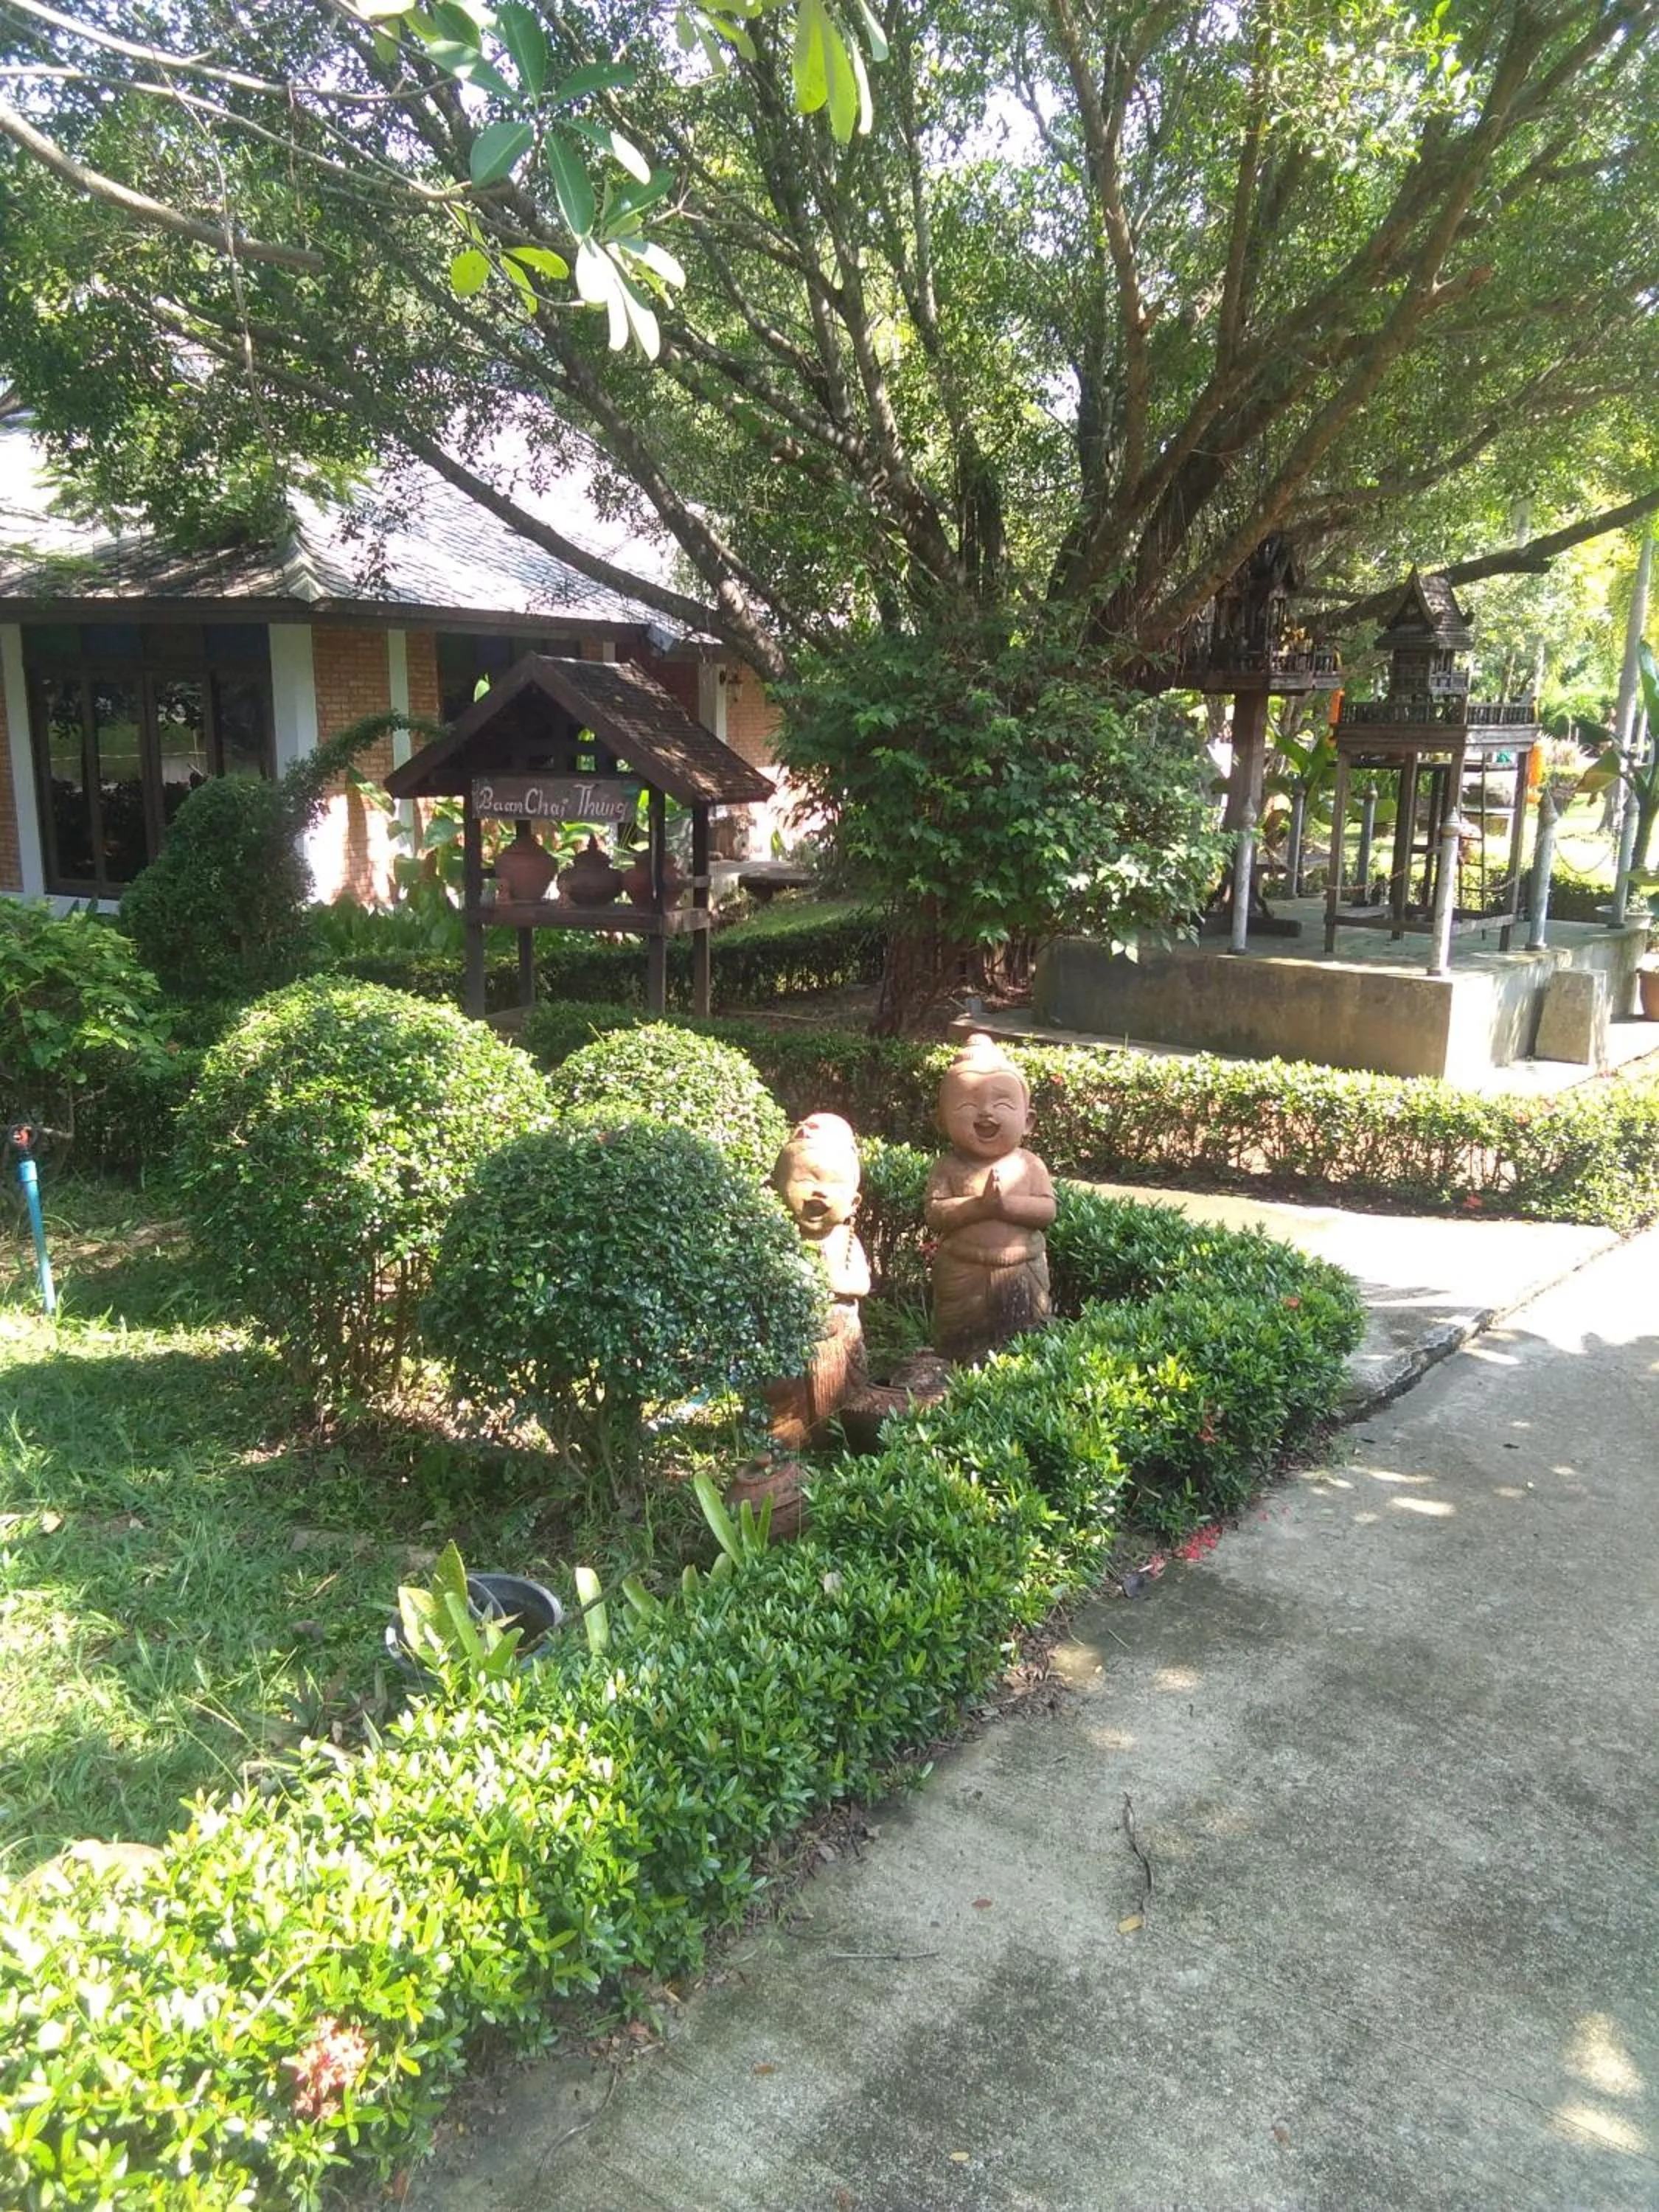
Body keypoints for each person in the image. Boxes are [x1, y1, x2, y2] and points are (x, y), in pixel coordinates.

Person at [925, 1034, 1055, 1362]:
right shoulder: (949, 1167)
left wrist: (1005, 1205)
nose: (985, 1113)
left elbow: (1046, 1211)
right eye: (968, 1105)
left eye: (1002, 1104)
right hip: (963, 1268)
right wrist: (978, 1206)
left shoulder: (1029, 1165)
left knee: (1025, 1338)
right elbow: (936, 1214)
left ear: (1028, 1122)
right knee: (959, 1340)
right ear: (941, 1121)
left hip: (1021, 1266)